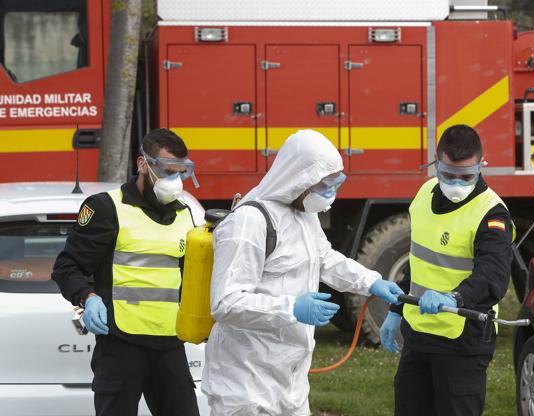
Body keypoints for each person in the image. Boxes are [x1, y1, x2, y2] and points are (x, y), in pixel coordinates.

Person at [201, 129, 404, 415]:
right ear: (300, 179)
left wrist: (371, 282)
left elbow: (324, 259)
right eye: (324, 185)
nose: (330, 193)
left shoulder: (303, 215)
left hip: (290, 378)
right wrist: (292, 308)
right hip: (246, 381)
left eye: (336, 183)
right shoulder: (249, 222)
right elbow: (225, 303)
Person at [52, 128, 201, 416]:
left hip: (169, 345)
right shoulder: (107, 208)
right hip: (121, 345)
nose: (175, 181)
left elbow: (190, 277)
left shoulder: (185, 214)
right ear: (143, 164)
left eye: (180, 173)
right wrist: (88, 296)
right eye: (168, 172)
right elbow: (67, 266)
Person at [380, 124, 514, 416]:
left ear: (482, 166)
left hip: (462, 340)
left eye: (466, 176)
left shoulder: (491, 214)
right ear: (435, 164)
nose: (456, 183)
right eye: (448, 174)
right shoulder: (425, 193)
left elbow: (493, 277)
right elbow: (420, 261)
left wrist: (453, 297)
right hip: (417, 334)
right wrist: (395, 309)